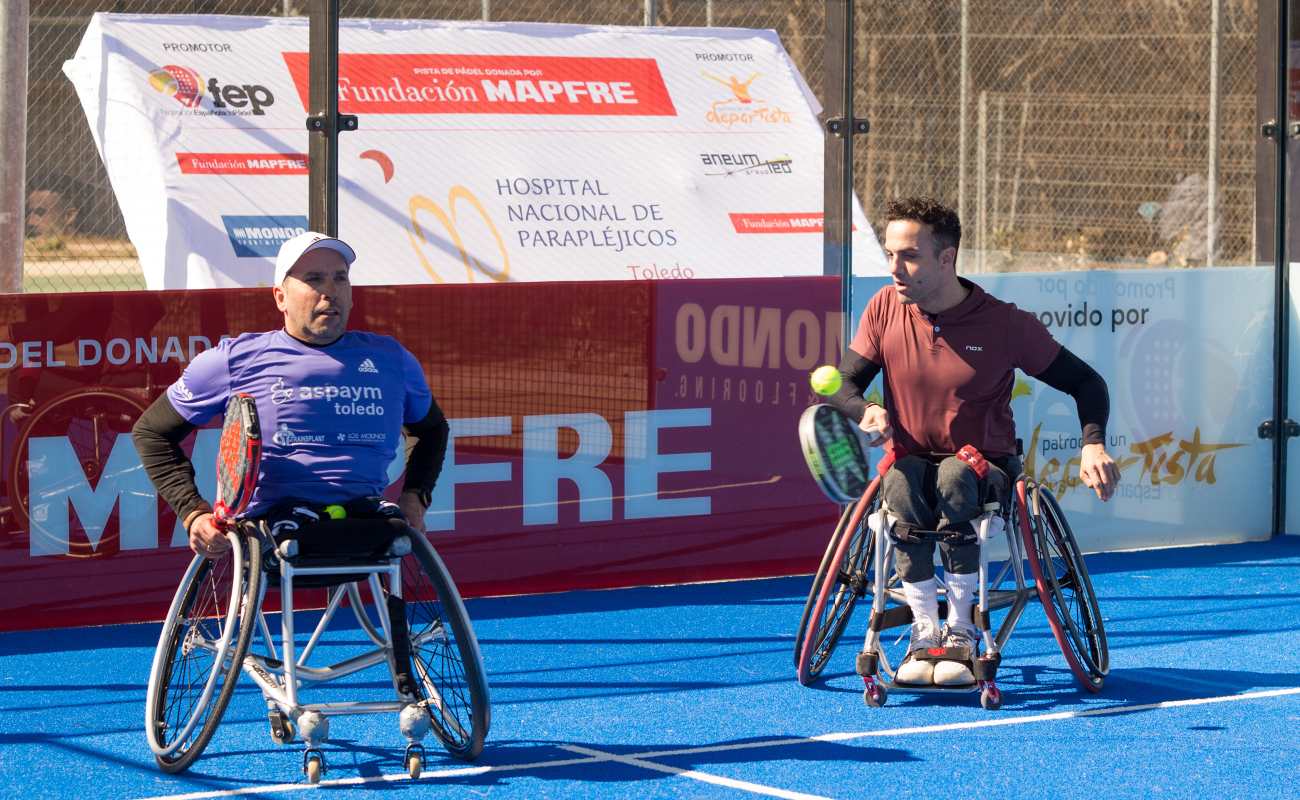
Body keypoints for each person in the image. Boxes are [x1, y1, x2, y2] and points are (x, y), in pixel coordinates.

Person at [825, 197, 1120, 687]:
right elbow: (837, 384)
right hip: (910, 463)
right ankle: (925, 631)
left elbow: (1088, 383)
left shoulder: (1006, 324)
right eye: (891, 255)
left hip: (985, 468)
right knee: (900, 481)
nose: (895, 268)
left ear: (947, 258)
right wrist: (866, 409)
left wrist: (1092, 444)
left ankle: (960, 629)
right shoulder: (883, 308)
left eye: (910, 256)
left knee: (955, 476)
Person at [132, 231, 449, 558]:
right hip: (269, 526)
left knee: (396, 536)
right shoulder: (233, 360)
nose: (330, 291)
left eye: (340, 278)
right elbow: (152, 432)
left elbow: (432, 429)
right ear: (280, 297)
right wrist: (193, 512)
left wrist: (415, 497)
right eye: (314, 279)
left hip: (365, 519)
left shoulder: (392, 359)